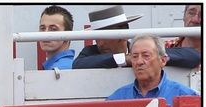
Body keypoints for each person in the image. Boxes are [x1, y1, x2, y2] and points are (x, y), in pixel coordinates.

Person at [73, 5, 201, 69]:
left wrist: (149, 57)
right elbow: (78, 64)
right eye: (97, 37)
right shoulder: (91, 52)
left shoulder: (145, 51)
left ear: (123, 34)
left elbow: (193, 56)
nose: (100, 44)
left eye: (106, 37)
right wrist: (125, 59)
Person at [38, 5, 75, 70]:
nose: (45, 34)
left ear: (68, 35)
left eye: (53, 29)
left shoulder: (62, 68)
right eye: (42, 28)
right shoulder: (61, 65)